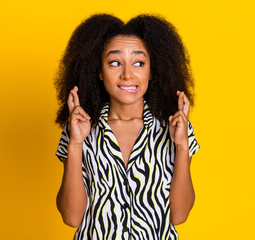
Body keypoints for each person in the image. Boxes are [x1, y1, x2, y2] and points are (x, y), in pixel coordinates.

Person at [54, 13, 200, 240]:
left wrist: (182, 146)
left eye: (139, 63)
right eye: (115, 63)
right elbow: (72, 217)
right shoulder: (79, 129)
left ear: (151, 71)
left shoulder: (175, 129)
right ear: (99, 71)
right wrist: (75, 143)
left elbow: (179, 215)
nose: (127, 74)